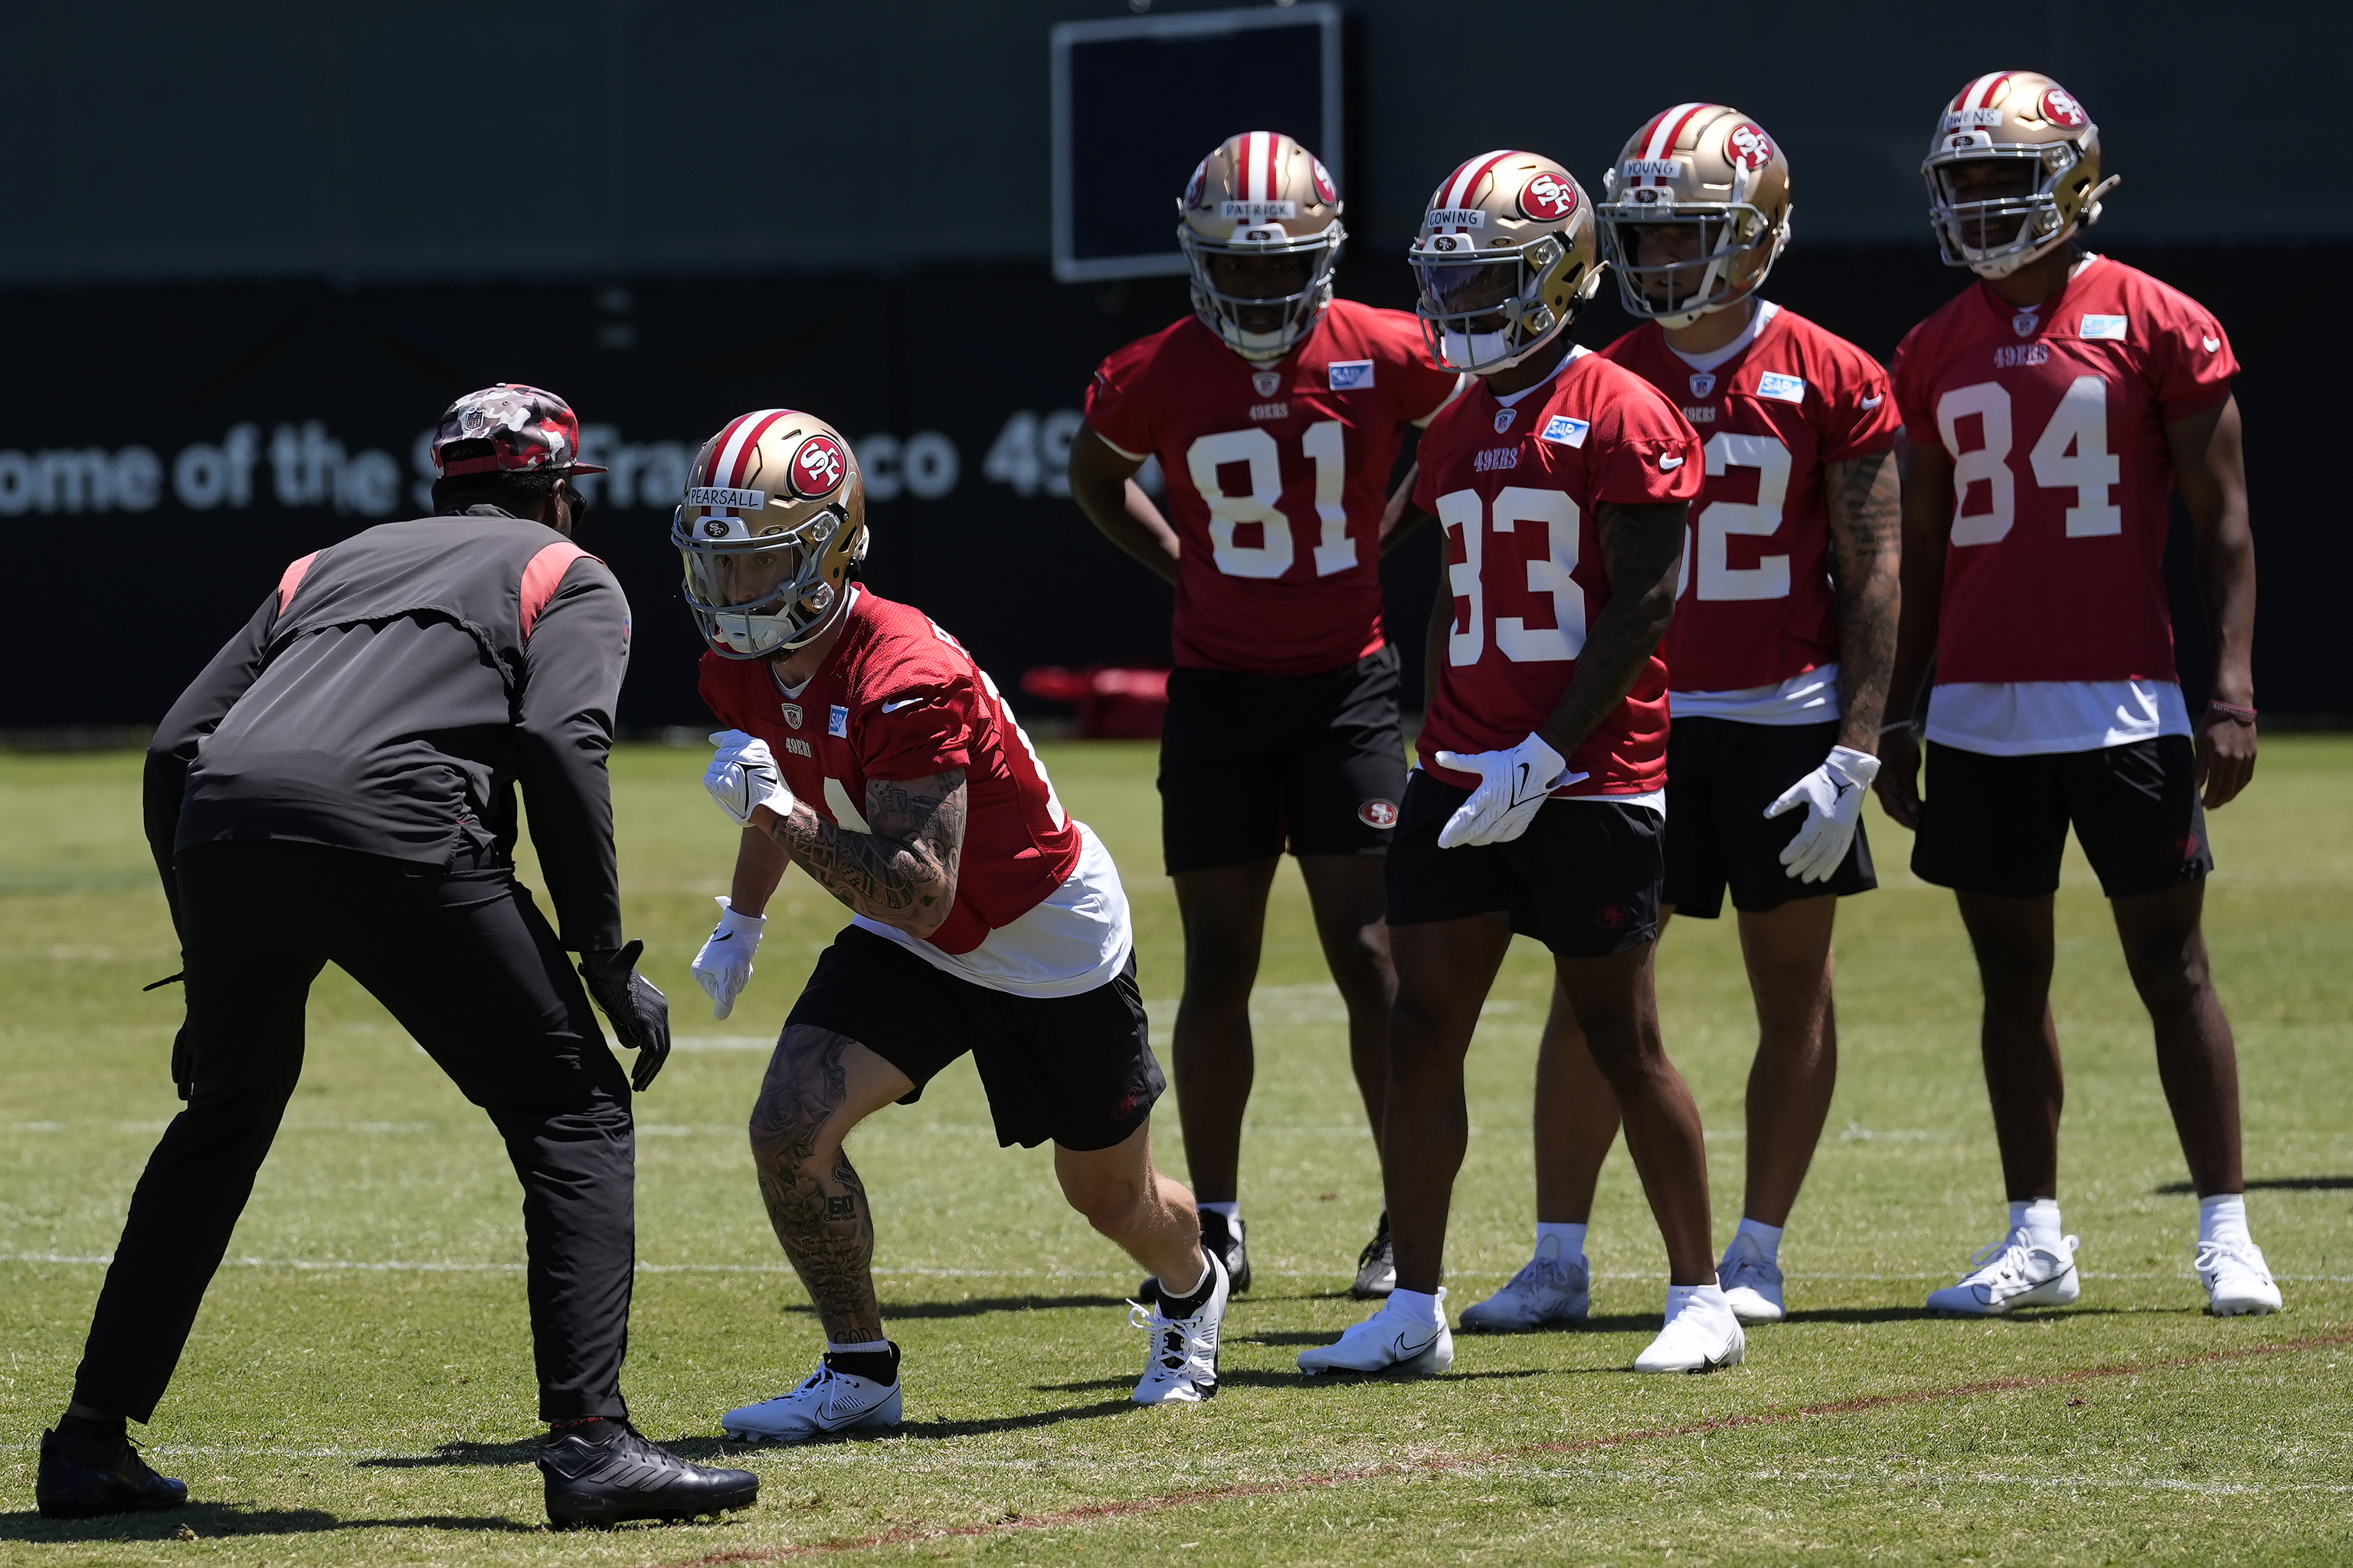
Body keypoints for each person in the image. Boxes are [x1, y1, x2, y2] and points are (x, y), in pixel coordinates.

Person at [34, 385, 756, 1529]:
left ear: (444, 483)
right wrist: (604, 958)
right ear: (558, 489)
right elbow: (561, 751)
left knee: (222, 1114)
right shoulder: (567, 574)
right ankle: (591, 1443)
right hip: (399, 829)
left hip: (222, 828)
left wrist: (206, 952)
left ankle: (87, 1443)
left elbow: (177, 746)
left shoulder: (323, 564)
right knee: (576, 1110)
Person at [673, 411, 1224, 1440]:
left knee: (1109, 1199)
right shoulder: (740, 667)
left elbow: (918, 884)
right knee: (789, 1131)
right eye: (719, 565)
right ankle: (858, 1371)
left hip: (1042, 931)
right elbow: (776, 788)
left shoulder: (905, 672)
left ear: (831, 551)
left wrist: (785, 820)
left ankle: (1193, 1289)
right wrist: (740, 919)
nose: (732, 592)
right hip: (917, 939)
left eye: (758, 566)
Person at [1298, 150, 1745, 1379]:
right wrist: (1445, 743)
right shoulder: (1453, 420)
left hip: (1593, 774)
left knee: (1622, 1033)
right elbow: (1456, 599)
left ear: (1556, 278)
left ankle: (1700, 1294)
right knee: (1421, 1025)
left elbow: (1646, 604)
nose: (1457, 303)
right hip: (1464, 766)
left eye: (1485, 277)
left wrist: (1546, 753)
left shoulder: (1625, 408)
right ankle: (1415, 1307)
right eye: (1445, 277)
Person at [1459, 106, 1903, 1334]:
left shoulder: (1837, 372)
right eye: (1645, 233)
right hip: (1634, 723)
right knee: (1598, 994)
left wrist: (1858, 748)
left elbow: (1874, 571)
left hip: (1782, 717)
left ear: (1759, 238)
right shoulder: (1597, 376)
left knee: (1791, 986)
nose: (1658, 259)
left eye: (1687, 233)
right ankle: (1558, 1255)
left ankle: (1754, 1252)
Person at [1880, 73, 2279, 1318]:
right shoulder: (1932, 347)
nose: (1986, 202)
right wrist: (1897, 711)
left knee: (2174, 968)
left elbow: (2226, 529)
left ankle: (2228, 1231)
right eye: (1968, 181)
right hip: (1982, 712)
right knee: (2010, 977)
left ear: (2070, 180)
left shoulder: (2161, 320)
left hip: (2121, 700)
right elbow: (1927, 552)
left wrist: (2229, 685)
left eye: (2007, 176)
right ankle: (2036, 1238)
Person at [1066, 131, 1468, 1299]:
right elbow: (1097, 477)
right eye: (1233, 265)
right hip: (1221, 689)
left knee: (1370, 956)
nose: (1255, 286)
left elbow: (1466, 427)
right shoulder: (1151, 370)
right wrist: (1184, 563)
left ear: (1326, 255)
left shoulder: (1391, 349)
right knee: (1218, 963)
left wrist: (1392, 526)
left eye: (1276, 263)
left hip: (1348, 687)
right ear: (1198, 260)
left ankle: (1406, 1210)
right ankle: (1222, 1220)